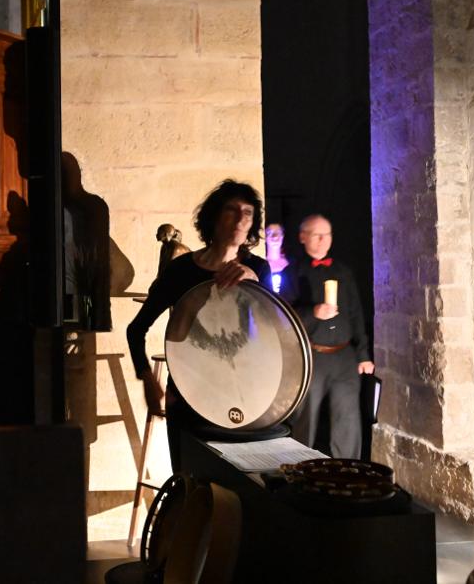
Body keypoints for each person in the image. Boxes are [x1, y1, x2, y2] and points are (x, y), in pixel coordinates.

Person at [127, 180, 270, 471]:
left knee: (239, 483)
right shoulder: (180, 271)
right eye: (231, 210)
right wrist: (147, 379)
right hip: (188, 392)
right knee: (190, 482)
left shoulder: (259, 269)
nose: (240, 220)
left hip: (242, 393)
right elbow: (136, 329)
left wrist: (255, 282)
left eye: (248, 213)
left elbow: (276, 332)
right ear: (214, 217)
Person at [288, 214, 374, 459]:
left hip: (344, 355)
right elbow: (284, 315)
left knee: (347, 418)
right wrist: (313, 313)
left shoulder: (343, 272)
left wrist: (363, 354)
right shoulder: (293, 272)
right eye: (317, 235)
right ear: (303, 237)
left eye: (327, 234)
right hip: (312, 356)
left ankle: (347, 469)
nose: (323, 240)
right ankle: (298, 466)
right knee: (306, 417)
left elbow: (355, 312)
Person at [264, 223, 294, 298]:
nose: (275, 236)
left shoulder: (291, 263)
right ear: (265, 237)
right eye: (270, 233)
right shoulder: (261, 265)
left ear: (282, 236)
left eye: (278, 232)